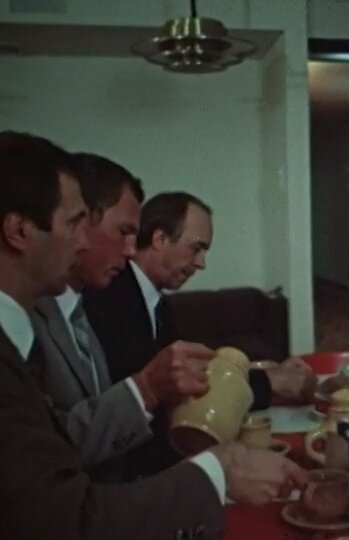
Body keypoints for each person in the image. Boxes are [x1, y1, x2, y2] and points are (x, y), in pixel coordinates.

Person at [0, 131, 307, 540]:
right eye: (75, 223)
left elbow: (57, 447)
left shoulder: (72, 312)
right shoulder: (92, 303)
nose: (83, 241)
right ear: (19, 231)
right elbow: (61, 517)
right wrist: (218, 471)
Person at [84, 191, 315, 476]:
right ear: (159, 239)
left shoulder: (155, 301)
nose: (201, 263)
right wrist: (269, 383)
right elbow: (169, 391)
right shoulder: (115, 294)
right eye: (196, 248)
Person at [31, 153, 219, 477]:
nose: (132, 250)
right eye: (123, 232)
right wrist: (147, 388)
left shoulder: (79, 310)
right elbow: (43, 454)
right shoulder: (43, 312)